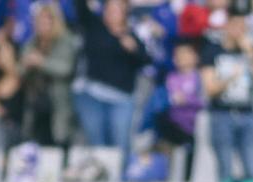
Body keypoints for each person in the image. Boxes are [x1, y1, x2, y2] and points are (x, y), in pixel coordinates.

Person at [202, 11, 253, 182]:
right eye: (236, 25)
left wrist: (251, 54)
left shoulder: (250, 51)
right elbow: (210, 88)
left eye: (243, 26)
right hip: (222, 114)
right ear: (227, 26)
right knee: (224, 168)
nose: (240, 30)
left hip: (247, 114)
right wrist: (231, 77)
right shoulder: (212, 50)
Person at [71, 0, 150, 154]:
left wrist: (133, 49)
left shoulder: (131, 35)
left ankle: (119, 177)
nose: (113, 11)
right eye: (110, 7)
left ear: (125, 12)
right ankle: (100, 176)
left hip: (121, 97)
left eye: (117, 8)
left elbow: (146, 61)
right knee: (97, 143)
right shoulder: (94, 26)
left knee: (120, 142)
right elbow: (80, 6)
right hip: (92, 95)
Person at [18, 2, 78, 146]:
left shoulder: (66, 40)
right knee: (38, 145)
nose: (42, 24)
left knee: (59, 143)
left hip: (58, 103)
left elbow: (66, 69)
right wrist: (25, 65)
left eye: (46, 19)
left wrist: (42, 62)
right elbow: (19, 71)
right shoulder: (31, 43)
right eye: (39, 20)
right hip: (36, 103)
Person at [154, 41, 204, 152]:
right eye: (178, 55)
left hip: (192, 127)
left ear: (195, 57)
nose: (182, 58)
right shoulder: (171, 77)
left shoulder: (199, 77)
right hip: (172, 124)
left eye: (185, 55)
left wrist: (187, 100)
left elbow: (204, 101)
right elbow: (166, 100)